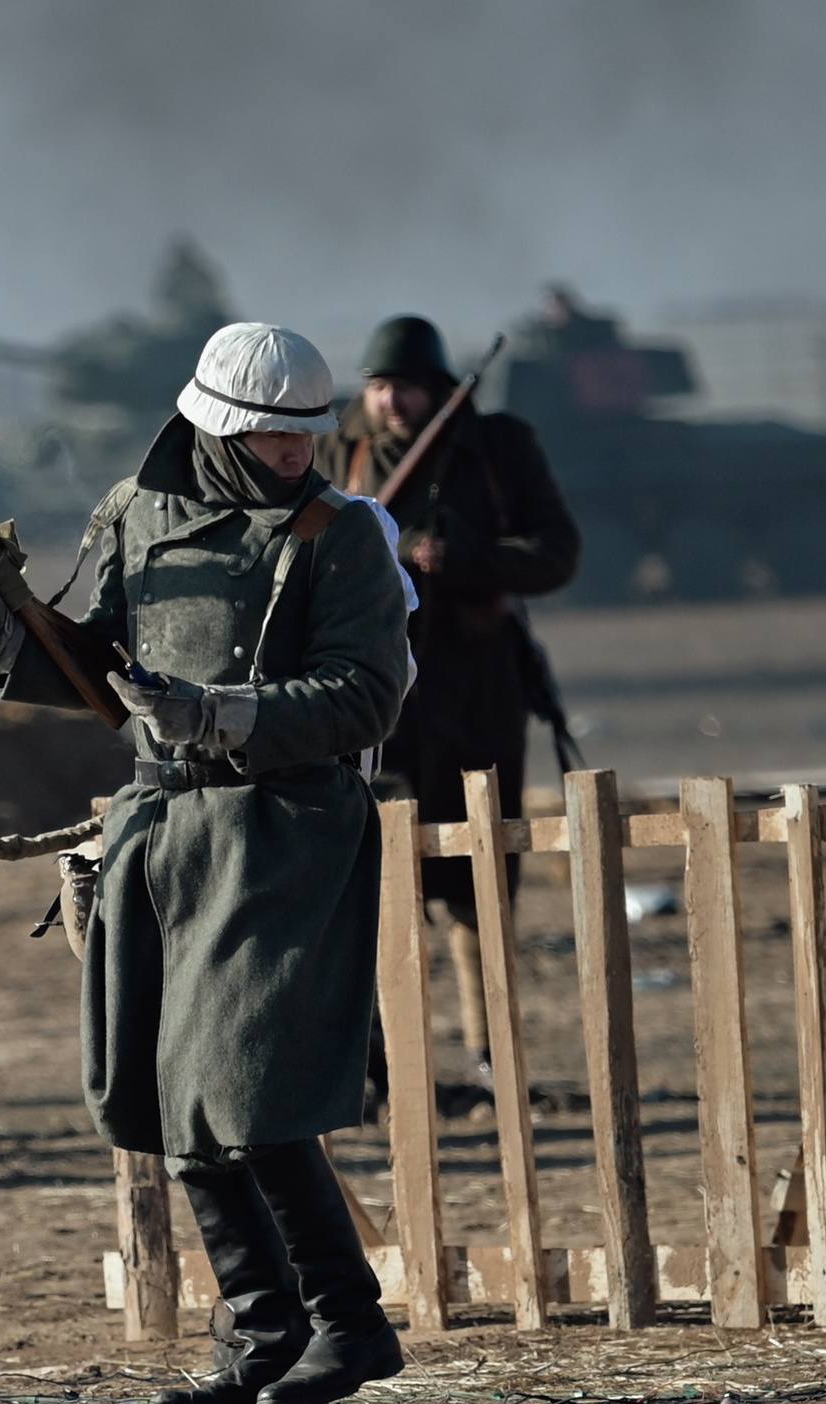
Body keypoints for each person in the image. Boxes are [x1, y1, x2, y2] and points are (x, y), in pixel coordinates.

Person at [0, 322, 412, 1404]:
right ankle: (260, 1331)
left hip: (281, 826)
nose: (296, 456)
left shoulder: (338, 537)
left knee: (244, 1085)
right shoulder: (133, 511)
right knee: (161, 1095)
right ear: (215, 426)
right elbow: (89, 667)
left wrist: (220, 712)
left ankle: (349, 1323)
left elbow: (366, 694)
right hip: (161, 825)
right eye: (272, 439)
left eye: (306, 439)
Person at [315, 315, 580, 1084]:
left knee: (481, 881)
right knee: (374, 878)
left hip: (476, 694)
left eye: (407, 386)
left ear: (438, 387)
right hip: (375, 699)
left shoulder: (499, 449)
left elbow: (556, 551)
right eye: (379, 386)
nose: (393, 402)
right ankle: (386, 1058)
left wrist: (469, 558)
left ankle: (491, 1051)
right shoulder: (337, 453)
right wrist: (391, 556)